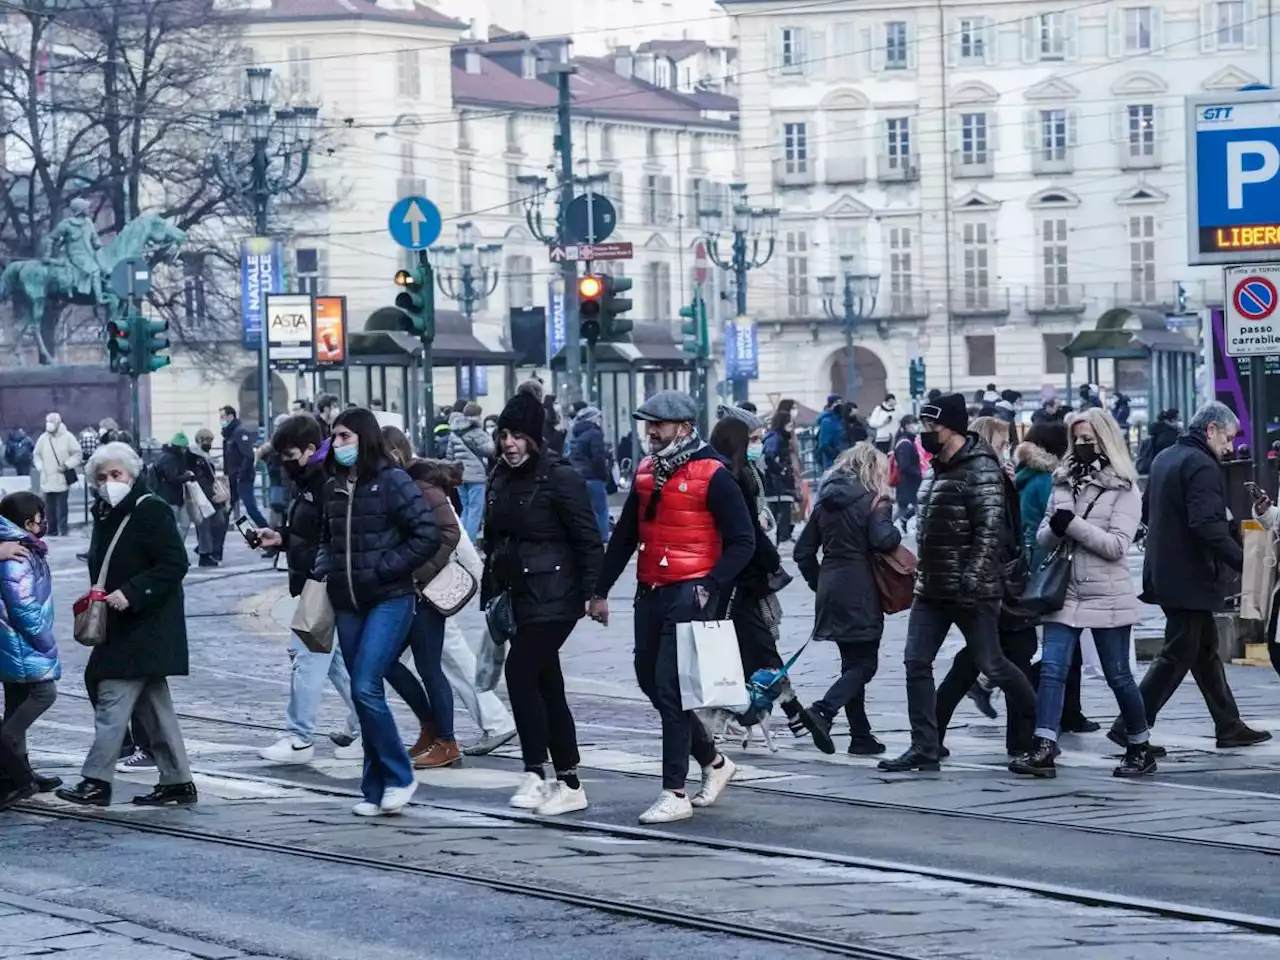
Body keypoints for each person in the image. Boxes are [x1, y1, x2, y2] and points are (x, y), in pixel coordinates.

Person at [590, 390, 754, 824]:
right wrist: (600, 589)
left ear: (683, 427)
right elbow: (625, 535)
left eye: (658, 424)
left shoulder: (714, 473)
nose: (650, 432)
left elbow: (743, 541)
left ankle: (674, 791)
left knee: (670, 687)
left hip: (691, 590)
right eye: (647, 424)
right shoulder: (647, 472)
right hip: (652, 588)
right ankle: (716, 764)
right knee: (649, 678)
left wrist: (710, 586)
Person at [879, 394, 1039, 773]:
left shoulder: (981, 469)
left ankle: (1038, 724)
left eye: (931, 428)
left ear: (951, 428)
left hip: (972, 590)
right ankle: (925, 747)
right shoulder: (938, 469)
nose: (925, 434)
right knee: (915, 662)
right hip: (931, 589)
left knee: (993, 664)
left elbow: (989, 532)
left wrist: (972, 579)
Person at [1116, 401, 1270, 751]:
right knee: (1176, 655)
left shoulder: (1165, 457)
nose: (1230, 447)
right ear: (1211, 430)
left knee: (1204, 651)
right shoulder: (1201, 463)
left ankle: (1229, 725)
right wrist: (1247, 563)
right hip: (1190, 576)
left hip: (1168, 572)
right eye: (1228, 438)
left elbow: (1152, 513)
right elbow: (1206, 525)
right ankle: (1129, 725)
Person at [1010, 408, 1155, 779]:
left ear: (1106, 440)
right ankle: (1044, 746)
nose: (1083, 446)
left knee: (1117, 674)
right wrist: (1057, 528)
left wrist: (1072, 524)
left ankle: (1139, 745)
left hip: (1107, 592)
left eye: (1090, 439)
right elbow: (1044, 533)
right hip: (1066, 590)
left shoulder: (1124, 486)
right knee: (1052, 671)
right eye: (1078, 440)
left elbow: (1117, 545)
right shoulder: (1062, 479)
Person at [56, 443, 197, 808]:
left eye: (115, 474)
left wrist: (132, 593)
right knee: (154, 707)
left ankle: (96, 780)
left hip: (145, 622)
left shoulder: (150, 510)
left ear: (132, 475)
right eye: (101, 477)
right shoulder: (106, 511)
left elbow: (174, 563)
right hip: (126, 624)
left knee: (112, 698)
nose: (108, 482)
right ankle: (178, 782)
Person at [315, 408, 439, 816]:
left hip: (390, 597)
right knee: (361, 692)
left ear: (364, 439)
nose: (338, 444)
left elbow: (427, 533)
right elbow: (327, 538)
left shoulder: (392, 481)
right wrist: (326, 568)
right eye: (334, 437)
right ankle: (376, 787)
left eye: (345, 436)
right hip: (348, 602)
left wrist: (387, 566)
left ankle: (400, 776)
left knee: (367, 686)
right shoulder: (333, 486)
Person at [483, 391, 602, 816]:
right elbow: (494, 536)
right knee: (547, 684)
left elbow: (588, 538)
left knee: (520, 672)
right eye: (504, 436)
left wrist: (596, 593)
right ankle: (569, 782)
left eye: (517, 436)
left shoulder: (559, 476)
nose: (509, 444)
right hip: (519, 594)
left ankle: (535, 771)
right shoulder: (499, 474)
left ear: (534, 437)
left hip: (557, 594)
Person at [709, 416, 828, 749]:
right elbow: (746, 534)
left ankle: (786, 710)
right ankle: (789, 710)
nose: (758, 444)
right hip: (739, 580)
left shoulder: (740, 474)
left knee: (754, 648)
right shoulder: (730, 478)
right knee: (758, 647)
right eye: (754, 438)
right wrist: (772, 560)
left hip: (741, 578)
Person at [254, 415, 362, 765]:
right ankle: (367, 725)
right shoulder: (310, 479)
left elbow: (327, 536)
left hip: (322, 584)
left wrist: (317, 573)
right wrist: (281, 538)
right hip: (317, 581)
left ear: (310, 450)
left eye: (289, 454)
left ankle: (300, 738)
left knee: (307, 660)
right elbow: (308, 532)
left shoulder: (325, 479)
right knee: (336, 665)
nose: (285, 463)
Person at [930, 416, 1037, 760]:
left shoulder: (969, 473)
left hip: (986, 582)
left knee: (973, 661)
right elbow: (997, 534)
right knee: (1015, 653)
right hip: (997, 583)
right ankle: (1021, 739)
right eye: (1004, 443)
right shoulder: (989, 477)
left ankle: (932, 731)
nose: (1008, 451)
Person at [795, 444, 902, 755]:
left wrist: (819, 581)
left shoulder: (825, 502)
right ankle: (823, 710)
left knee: (851, 664)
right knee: (865, 665)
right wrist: (893, 530)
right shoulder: (874, 500)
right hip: (861, 588)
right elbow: (883, 539)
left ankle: (861, 735)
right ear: (872, 469)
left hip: (831, 585)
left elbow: (803, 552)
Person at [381, 427, 464, 771]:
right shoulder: (400, 483)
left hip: (424, 593)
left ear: (397, 453)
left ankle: (446, 740)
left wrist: (420, 572)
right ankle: (432, 728)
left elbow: (450, 532)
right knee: (386, 661)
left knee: (428, 667)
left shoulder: (420, 485)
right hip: (406, 590)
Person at [0, 492, 59, 807]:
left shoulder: (21, 548)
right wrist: (45, 641)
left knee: (17, 699)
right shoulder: (17, 554)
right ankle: (13, 769)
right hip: (19, 640)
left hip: (11, 641)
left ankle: (17, 773)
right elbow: (22, 605)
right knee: (42, 694)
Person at [445, 402, 495, 541]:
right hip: (476, 476)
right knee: (475, 511)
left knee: (465, 509)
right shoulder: (476, 431)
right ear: (476, 416)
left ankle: (460, 542)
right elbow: (490, 450)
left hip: (460, 476)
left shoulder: (454, 432)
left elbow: (449, 456)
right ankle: (469, 543)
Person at [568, 405, 612, 541]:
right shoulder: (595, 433)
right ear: (594, 419)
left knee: (586, 512)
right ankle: (602, 539)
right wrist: (604, 476)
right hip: (594, 477)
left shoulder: (577, 434)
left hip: (579, 477)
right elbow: (598, 457)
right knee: (602, 511)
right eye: (599, 417)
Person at [33, 413, 81, 537]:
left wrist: (67, 465)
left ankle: (63, 530)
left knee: (61, 507)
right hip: (47, 478)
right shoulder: (43, 438)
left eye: (51, 421)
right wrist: (40, 467)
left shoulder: (68, 437)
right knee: (48, 508)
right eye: (47, 421)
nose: (48, 424)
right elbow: (37, 454)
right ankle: (51, 530)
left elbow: (77, 454)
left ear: (58, 423)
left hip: (61, 478)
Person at [220, 406, 267, 527]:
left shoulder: (239, 432)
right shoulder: (229, 435)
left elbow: (249, 455)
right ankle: (216, 541)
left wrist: (241, 474)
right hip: (233, 477)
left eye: (222, 417)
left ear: (230, 416)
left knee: (250, 508)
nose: (221, 420)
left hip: (241, 478)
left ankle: (266, 531)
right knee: (226, 509)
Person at [762, 402, 800, 542]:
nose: (791, 426)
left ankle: (781, 536)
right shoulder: (776, 438)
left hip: (780, 483)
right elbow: (769, 455)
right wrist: (781, 470)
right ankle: (780, 537)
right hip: (778, 484)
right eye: (788, 423)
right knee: (780, 511)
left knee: (783, 511)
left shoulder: (779, 437)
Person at [152, 432, 198, 543]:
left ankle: (176, 545)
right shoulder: (170, 459)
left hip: (173, 497)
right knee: (177, 524)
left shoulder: (169, 456)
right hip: (170, 497)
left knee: (182, 523)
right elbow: (172, 478)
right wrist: (187, 477)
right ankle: (174, 546)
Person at [192, 428, 228, 566]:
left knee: (217, 522)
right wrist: (212, 494)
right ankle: (204, 554)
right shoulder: (197, 458)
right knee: (205, 526)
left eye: (210, 440)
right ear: (199, 440)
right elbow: (201, 480)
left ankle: (204, 550)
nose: (209, 443)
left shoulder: (204, 456)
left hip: (209, 495)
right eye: (206, 440)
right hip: (203, 497)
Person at [892, 416, 923, 531]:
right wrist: (918, 472)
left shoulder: (908, 441)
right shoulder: (905, 444)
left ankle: (887, 525)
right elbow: (904, 466)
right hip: (908, 483)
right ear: (906, 427)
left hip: (908, 482)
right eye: (913, 424)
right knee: (917, 508)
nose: (916, 426)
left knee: (907, 508)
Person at [1135, 409, 1181, 476]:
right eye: (1178, 420)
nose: (1179, 422)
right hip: (1167, 469)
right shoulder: (1169, 434)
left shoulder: (1157, 431)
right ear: (1172, 420)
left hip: (1154, 467)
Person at [816, 394, 847, 471]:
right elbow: (824, 444)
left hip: (842, 457)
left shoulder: (841, 418)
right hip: (833, 460)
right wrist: (836, 455)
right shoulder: (827, 421)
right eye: (839, 403)